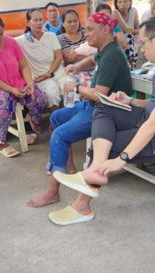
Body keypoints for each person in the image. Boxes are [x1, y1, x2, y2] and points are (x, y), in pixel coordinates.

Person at [53, 16, 155, 224]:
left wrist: (121, 159)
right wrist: (130, 101)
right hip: (154, 122)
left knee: (109, 148)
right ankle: (96, 169)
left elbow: (154, 124)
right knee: (104, 104)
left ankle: (82, 205)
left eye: (143, 42)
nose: (141, 48)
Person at [26, 12, 132, 217]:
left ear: (106, 30)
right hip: (92, 107)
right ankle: (70, 166)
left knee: (59, 135)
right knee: (56, 118)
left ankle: (52, 191)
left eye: (91, 29)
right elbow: (93, 59)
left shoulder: (112, 55)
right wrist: (77, 65)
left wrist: (75, 88)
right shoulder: (106, 49)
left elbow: (100, 95)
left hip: (105, 113)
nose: (86, 33)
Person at [0, 13, 48, 158]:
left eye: (0, 34)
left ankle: (33, 118)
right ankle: (1, 141)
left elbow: (24, 65)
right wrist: (11, 90)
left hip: (14, 82)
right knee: (4, 101)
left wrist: (29, 83)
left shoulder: (10, 42)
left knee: (38, 96)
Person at [16, 8, 64, 107]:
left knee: (70, 90)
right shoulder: (21, 41)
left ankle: (72, 119)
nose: (39, 23)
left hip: (57, 73)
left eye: (40, 20)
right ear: (28, 23)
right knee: (51, 94)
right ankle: (56, 120)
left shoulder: (50, 36)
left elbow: (58, 57)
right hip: (41, 78)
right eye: (35, 20)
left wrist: (50, 73)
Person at [113, 0, 140, 68]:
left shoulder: (133, 11)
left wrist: (137, 30)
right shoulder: (115, 12)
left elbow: (137, 27)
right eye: (119, 2)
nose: (122, 4)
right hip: (120, 39)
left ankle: (132, 64)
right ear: (116, 3)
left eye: (125, 1)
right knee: (128, 36)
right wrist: (137, 30)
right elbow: (124, 30)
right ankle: (131, 63)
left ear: (130, 2)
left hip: (132, 39)